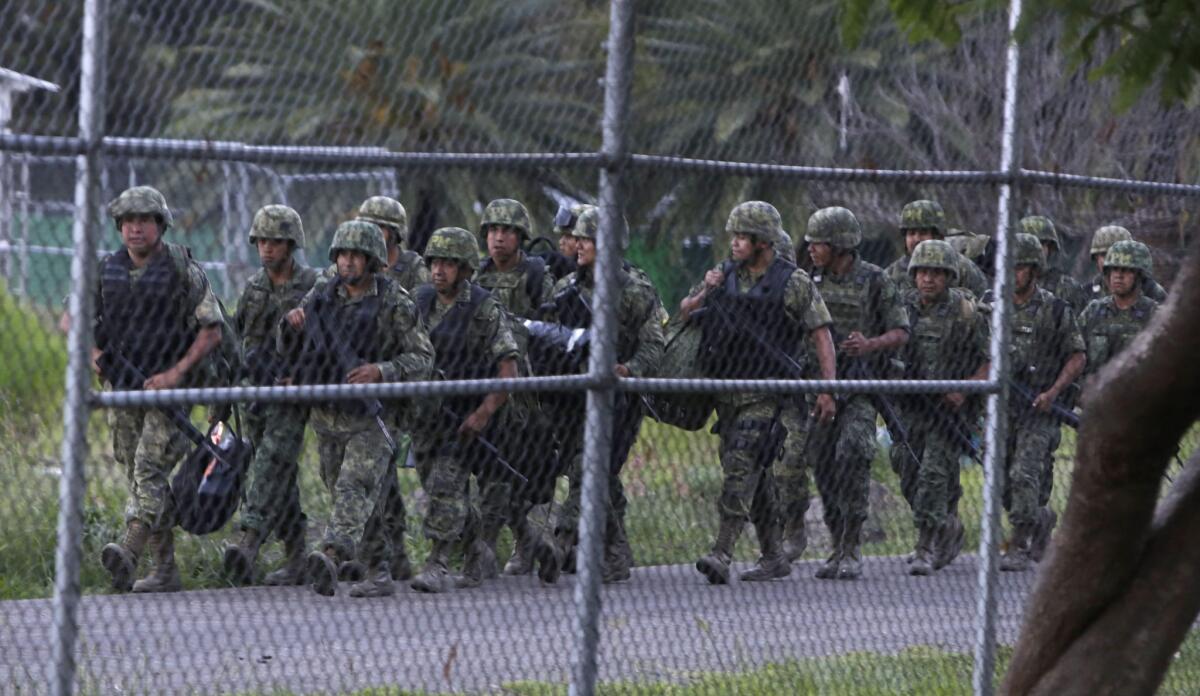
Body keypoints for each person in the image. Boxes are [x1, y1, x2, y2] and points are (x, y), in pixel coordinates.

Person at [678, 201, 837, 585]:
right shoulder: (724, 273)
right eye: (732, 236)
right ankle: (772, 555)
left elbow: (821, 333)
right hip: (727, 393)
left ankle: (722, 551)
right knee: (755, 473)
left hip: (768, 394)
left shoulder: (793, 281)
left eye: (741, 237)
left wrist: (828, 389)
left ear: (763, 242)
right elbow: (683, 312)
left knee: (739, 466)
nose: (733, 243)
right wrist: (704, 293)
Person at [280, 220, 434, 598]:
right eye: (343, 255)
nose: (347, 262)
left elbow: (423, 357)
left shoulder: (394, 301)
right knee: (346, 492)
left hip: (374, 416)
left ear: (373, 260)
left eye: (356, 256)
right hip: (328, 412)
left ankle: (331, 555)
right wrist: (290, 326)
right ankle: (377, 570)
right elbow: (290, 345)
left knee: (355, 485)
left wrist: (381, 371)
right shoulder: (322, 293)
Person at [94, 186, 225, 594]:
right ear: (119, 226)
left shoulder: (183, 269)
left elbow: (212, 329)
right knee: (137, 473)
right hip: (126, 390)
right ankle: (165, 568)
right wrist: (95, 357)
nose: (135, 228)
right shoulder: (106, 270)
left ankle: (129, 551)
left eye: (144, 221)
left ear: (160, 225)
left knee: (148, 468)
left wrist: (176, 372)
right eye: (128, 221)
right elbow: (72, 319)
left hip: (171, 392)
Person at [545, 205, 665, 583]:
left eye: (587, 239)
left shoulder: (635, 291)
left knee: (591, 466)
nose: (577, 245)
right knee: (597, 472)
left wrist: (627, 370)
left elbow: (653, 345)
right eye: (577, 238)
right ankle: (616, 550)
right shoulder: (565, 289)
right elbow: (550, 337)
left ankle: (562, 540)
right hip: (572, 399)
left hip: (620, 401)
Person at [793, 206, 910, 580]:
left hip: (859, 387)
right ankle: (835, 540)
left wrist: (870, 344)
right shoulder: (808, 279)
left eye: (820, 243)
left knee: (854, 452)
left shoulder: (874, 280)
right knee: (822, 464)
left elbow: (901, 331)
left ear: (841, 245)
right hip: (816, 387)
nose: (812, 249)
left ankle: (852, 545)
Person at [408, 227, 522, 593]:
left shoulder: (482, 308)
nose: (439, 270)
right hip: (427, 417)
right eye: (435, 262)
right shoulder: (419, 301)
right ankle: (476, 548)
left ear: (466, 269)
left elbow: (508, 369)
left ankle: (438, 561)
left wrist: (483, 413)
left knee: (445, 484)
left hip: (467, 415)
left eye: (448, 264)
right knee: (442, 487)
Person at [223, 205, 319, 586]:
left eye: (275, 242)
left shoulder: (313, 286)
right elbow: (240, 337)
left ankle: (248, 539)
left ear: (291, 244)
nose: (267, 249)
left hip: (293, 392)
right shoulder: (254, 287)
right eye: (261, 241)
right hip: (257, 393)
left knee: (270, 461)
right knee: (279, 471)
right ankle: (297, 553)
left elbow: (325, 342)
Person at [988, 234, 1086, 572]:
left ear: (1034, 270)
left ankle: (1020, 540)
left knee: (1024, 473)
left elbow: (1076, 356)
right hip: (1002, 407)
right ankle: (1038, 517)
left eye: (1020, 267)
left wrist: (1054, 392)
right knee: (999, 476)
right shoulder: (992, 306)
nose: (1012, 273)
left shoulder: (1055, 310)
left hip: (1039, 406)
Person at [893, 239, 990, 576]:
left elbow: (991, 361)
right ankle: (948, 525)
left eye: (936, 273)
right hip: (912, 407)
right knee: (906, 468)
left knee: (934, 472)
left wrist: (965, 390)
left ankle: (924, 545)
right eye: (922, 272)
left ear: (949, 276)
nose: (928, 279)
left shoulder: (966, 311)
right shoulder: (901, 307)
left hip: (950, 411)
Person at [473, 198, 558, 577]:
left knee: (526, 473)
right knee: (495, 468)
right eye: (492, 230)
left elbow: (556, 331)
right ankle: (515, 543)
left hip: (531, 392)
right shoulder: (475, 278)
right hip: (489, 385)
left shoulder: (537, 275)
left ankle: (516, 542)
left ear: (520, 236)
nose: (498, 238)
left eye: (506, 231)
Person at [1079, 239, 1159, 378]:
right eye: (1114, 269)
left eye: (1127, 270)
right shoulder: (1093, 311)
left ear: (1140, 275)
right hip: (1095, 393)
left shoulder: (1154, 315)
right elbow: (1072, 354)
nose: (1118, 276)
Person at [884, 200, 989, 299]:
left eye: (923, 233)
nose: (916, 239)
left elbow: (982, 304)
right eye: (911, 233)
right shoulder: (892, 274)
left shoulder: (962, 268)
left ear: (938, 236)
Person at [357, 195, 431, 292]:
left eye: (379, 227)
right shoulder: (349, 264)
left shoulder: (413, 268)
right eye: (366, 227)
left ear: (395, 233)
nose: (370, 233)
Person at [1020, 215, 1088, 312]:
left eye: (1041, 243)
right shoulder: (1007, 285)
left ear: (1050, 248)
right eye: (1029, 244)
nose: (1036, 248)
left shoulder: (1067, 288)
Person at [1085, 225, 1167, 304]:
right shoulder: (1088, 292)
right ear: (1096, 258)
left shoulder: (1150, 290)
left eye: (1117, 255)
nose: (1111, 261)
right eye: (1105, 255)